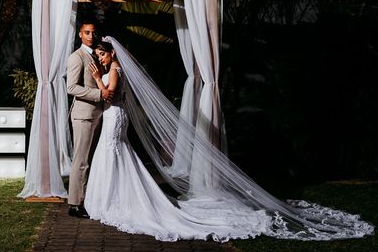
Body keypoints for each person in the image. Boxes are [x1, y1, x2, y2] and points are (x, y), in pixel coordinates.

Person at [82, 38, 374, 242]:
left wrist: (97, 79)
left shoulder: (115, 71)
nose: (99, 58)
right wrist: (99, 76)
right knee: (114, 154)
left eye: (102, 54)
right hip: (113, 118)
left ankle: (117, 201)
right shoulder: (110, 70)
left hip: (114, 117)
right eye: (97, 56)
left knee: (114, 152)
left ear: (113, 54)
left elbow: (108, 95)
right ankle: (111, 199)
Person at [66, 20, 114, 218]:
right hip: (83, 115)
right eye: (87, 32)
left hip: (98, 114)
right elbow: (71, 88)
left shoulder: (97, 54)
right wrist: (98, 95)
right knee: (81, 160)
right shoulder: (76, 57)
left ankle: (89, 199)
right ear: (80, 34)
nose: (91, 36)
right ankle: (75, 204)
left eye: (93, 33)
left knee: (93, 159)